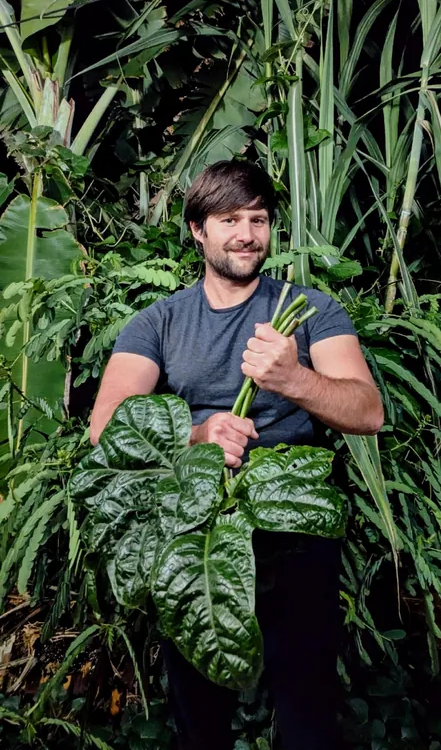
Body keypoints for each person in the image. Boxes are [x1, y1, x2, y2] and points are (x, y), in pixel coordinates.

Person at [90, 159, 384, 750]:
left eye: (259, 219)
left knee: (306, 711)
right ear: (198, 230)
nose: (247, 234)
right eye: (229, 219)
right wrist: (199, 436)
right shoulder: (159, 322)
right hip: (197, 528)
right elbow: (106, 425)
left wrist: (293, 378)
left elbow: (367, 412)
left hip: (291, 521)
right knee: (200, 715)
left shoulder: (311, 309)